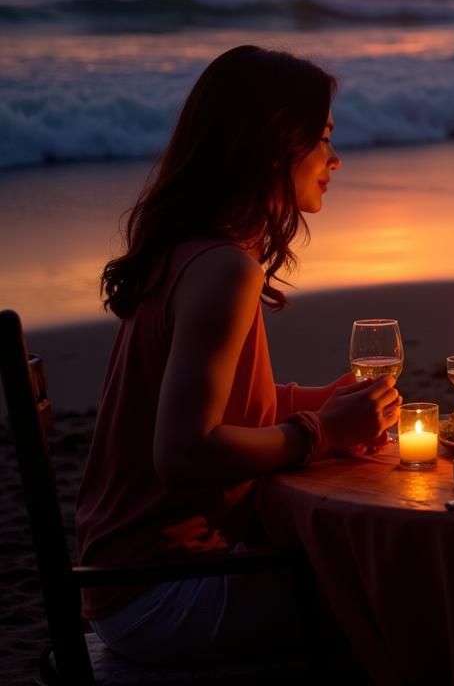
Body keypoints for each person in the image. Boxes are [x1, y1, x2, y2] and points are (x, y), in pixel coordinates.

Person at [76, 45, 400, 663]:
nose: (336, 160)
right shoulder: (225, 269)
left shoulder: (187, 251)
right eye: (323, 138)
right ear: (276, 145)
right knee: (407, 596)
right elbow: (184, 452)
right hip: (162, 594)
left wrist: (318, 401)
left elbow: (209, 405)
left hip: (129, 581)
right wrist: (319, 432)